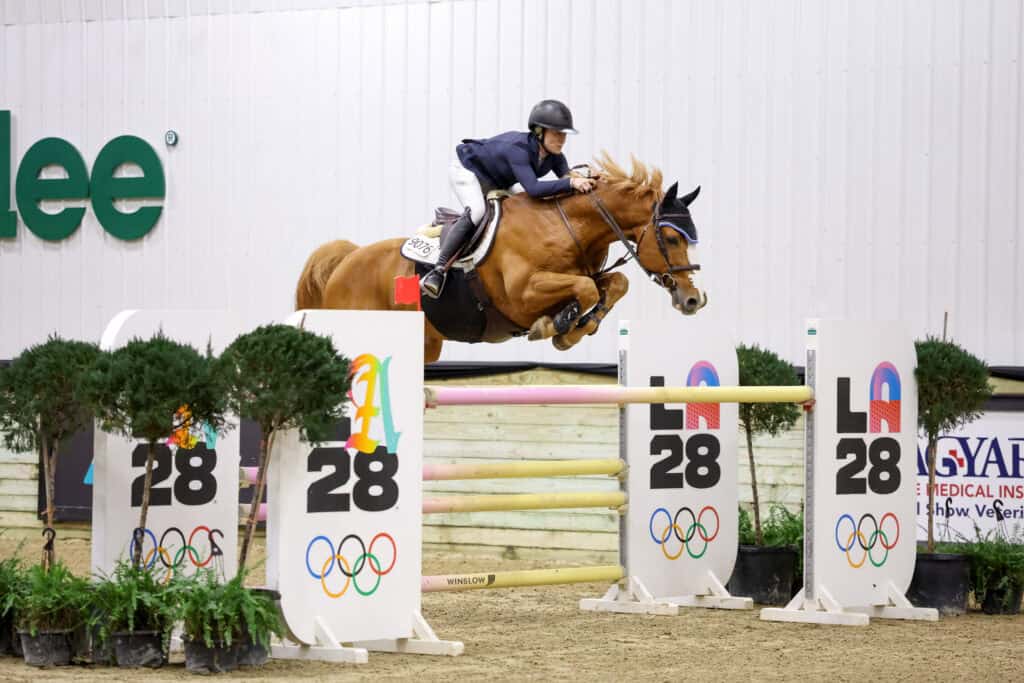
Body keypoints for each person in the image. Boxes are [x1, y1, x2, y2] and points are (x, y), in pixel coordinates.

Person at [420, 99, 597, 299]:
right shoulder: (518, 149)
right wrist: (572, 184)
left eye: (564, 134)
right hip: (468, 171)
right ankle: (438, 270)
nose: (562, 139)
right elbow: (534, 189)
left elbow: (568, 177)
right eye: (557, 133)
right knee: (477, 212)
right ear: (539, 132)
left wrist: (589, 180)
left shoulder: (555, 156)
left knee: (523, 213)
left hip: (497, 180)